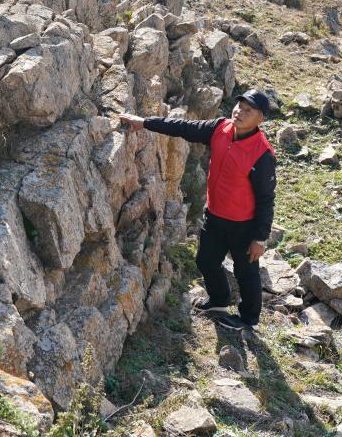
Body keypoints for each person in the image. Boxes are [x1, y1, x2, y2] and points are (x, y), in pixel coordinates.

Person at [118, 89, 276, 331]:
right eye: (239, 106)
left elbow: (266, 199)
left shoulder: (262, 154)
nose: (239, 112)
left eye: (248, 111)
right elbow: (184, 127)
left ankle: (248, 319)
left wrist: (260, 238)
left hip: (244, 225)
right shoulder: (220, 128)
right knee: (206, 260)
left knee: (246, 273)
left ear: (260, 119)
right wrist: (145, 123)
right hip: (215, 215)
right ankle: (219, 301)